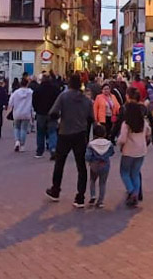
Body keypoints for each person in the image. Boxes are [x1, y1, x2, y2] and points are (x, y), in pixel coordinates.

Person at [45, 74, 94, 208]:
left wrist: (58, 119)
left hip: (65, 132)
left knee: (59, 163)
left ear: (69, 83)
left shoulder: (64, 96)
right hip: (80, 134)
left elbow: (53, 113)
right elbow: (91, 118)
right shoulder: (87, 100)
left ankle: (55, 190)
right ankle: (80, 197)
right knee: (81, 166)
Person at [117, 88, 151, 208]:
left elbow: (122, 139)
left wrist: (118, 144)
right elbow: (149, 133)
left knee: (124, 172)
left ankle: (131, 192)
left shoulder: (126, 124)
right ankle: (135, 193)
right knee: (135, 173)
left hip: (129, 151)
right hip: (141, 151)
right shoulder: (143, 122)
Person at [86, 123, 115, 209]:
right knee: (102, 183)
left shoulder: (91, 144)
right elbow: (112, 153)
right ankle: (101, 201)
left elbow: (87, 156)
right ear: (105, 133)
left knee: (92, 180)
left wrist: (90, 161)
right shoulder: (109, 143)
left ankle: (93, 195)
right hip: (105, 164)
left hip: (94, 164)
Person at [32, 73, 60, 159]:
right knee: (52, 132)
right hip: (53, 114)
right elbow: (59, 100)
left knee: (40, 132)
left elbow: (34, 101)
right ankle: (53, 149)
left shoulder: (38, 89)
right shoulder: (55, 89)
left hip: (41, 113)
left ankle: (39, 152)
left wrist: (37, 110)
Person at [7, 80, 34, 152]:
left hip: (17, 112)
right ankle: (22, 146)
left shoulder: (16, 92)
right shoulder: (31, 92)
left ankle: (17, 141)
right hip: (26, 112)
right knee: (24, 129)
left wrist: (11, 107)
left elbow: (10, 102)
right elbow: (34, 102)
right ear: (27, 84)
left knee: (16, 128)